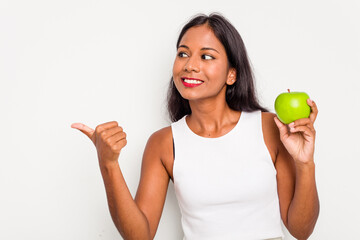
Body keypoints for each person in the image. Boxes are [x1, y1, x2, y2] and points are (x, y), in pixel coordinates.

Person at [71, 13, 319, 240]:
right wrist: (109, 164)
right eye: (183, 53)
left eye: (207, 56)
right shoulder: (163, 143)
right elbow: (140, 236)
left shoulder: (269, 127)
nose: (190, 65)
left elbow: (301, 230)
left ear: (231, 74)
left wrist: (304, 163)